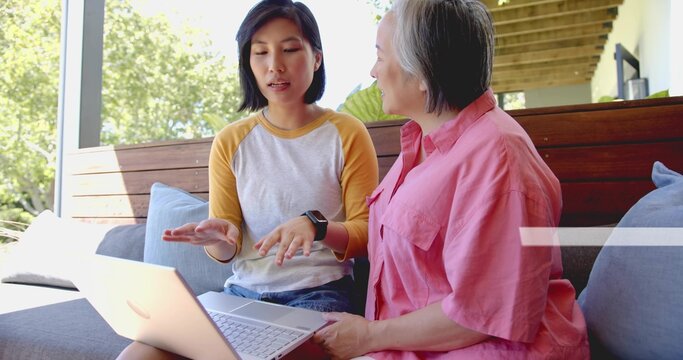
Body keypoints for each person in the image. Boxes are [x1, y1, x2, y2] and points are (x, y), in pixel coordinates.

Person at [313, 0, 590, 359]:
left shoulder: (499, 158)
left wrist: (368, 337)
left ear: (423, 72)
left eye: (380, 57)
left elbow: (481, 315)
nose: (372, 71)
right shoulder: (422, 143)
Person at [117, 0, 377, 358]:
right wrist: (216, 238)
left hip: (318, 295)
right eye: (260, 53)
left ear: (317, 58)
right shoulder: (231, 141)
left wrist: (315, 226)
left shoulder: (347, 133)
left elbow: (368, 234)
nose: (275, 66)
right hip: (242, 296)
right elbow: (228, 246)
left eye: (289, 49)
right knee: (141, 353)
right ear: (248, 63)